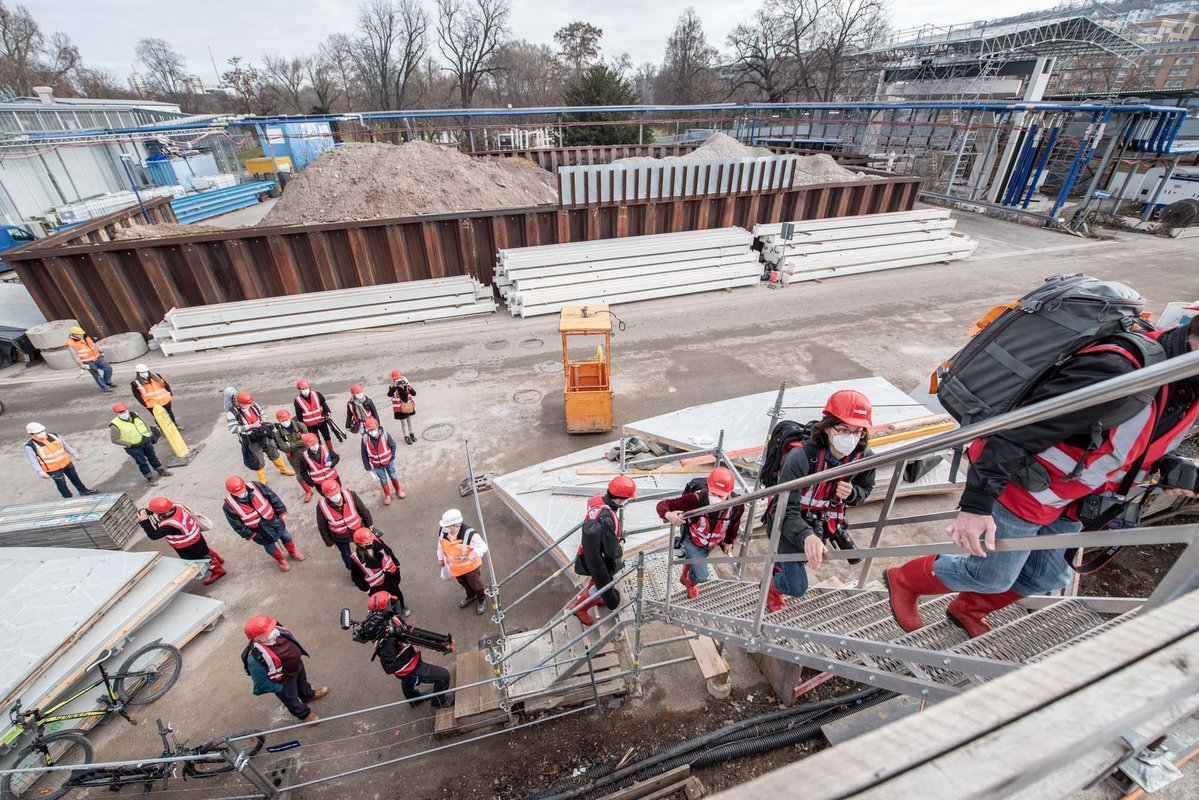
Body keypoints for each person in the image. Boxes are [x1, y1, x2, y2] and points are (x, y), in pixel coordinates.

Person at [886, 318, 1199, 637]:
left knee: (1048, 576)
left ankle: (967, 608)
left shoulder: (1186, 384)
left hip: (1071, 497)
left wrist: (1167, 465)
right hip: (1022, 488)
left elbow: (1133, 437)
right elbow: (1018, 430)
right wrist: (976, 506)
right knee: (991, 575)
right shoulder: (1119, 370)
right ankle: (904, 580)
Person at [768, 390, 876, 612]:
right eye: (844, 430)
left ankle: (780, 568)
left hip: (822, 522)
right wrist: (805, 535)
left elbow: (866, 488)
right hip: (789, 522)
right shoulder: (800, 458)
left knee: (798, 560)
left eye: (858, 431)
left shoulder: (864, 458)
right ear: (827, 427)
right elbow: (784, 508)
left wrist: (853, 493)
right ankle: (769, 587)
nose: (852, 437)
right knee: (796, 586)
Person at [656, 467, 744, 599]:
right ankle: (691, 582)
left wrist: (729, 541)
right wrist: (668, 515)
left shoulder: (737, 505)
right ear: (708, 486)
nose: (716, 498)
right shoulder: (695, 499)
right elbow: (663, 504)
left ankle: (685, 576)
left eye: (720, 496)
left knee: (695, 561)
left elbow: (734, 523)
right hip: (693, 539)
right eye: (713, 494)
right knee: (702, 576)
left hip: (712, 542)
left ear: (730, 492)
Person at [568, 475, 636, 626]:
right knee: (612, 598)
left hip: (588, 552)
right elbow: (613, 552)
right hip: (600, 560)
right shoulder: (607, 519)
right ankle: (580, 608)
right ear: (621, 498)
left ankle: (596, 596)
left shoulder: (596, 499)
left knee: (598, 581)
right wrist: (621, 543)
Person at [368, 593, 453, 709]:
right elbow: (390, 667)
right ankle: (439, 702)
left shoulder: (393, 619)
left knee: (407, 681)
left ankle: (413, 699)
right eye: (390, 604)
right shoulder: (385, 641)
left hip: (409, 664)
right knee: (443, 676)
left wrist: (438, 642)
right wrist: (412, 653)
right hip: (409, 668)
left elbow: (407, 632)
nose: (394, 605)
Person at [242, 616, 329, 722]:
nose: (273, 629)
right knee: (291, 700)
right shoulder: (254, 658)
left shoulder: (278, 632)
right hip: (283, 681)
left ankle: (308, 696)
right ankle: (303, 714)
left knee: (303, 683)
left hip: (296, 667)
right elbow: (262, 682)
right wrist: (280, 688)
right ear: (258, 637)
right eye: (269, 630)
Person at [222, 476, 305, 572]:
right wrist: (251, 535)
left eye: (241, 491)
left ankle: (293, 552)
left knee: (286, 537)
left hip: (274, 521)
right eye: (237, 493)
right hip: (258, 531)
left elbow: (272, 497)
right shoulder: (228, 506)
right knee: (270, 547)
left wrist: (281, 512)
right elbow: (237, 525)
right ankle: (281, 560)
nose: (240, 494)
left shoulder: (256, 486)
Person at [139, 496, 226, 585]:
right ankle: (219, 559)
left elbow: (153, 535)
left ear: (159, 513)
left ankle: (218, 570)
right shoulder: (178, 505)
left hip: (188, 545)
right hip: (195, 535)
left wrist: (144, 521)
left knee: (202, 558)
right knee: (204, 550)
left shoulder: (169, 525)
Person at [224, 388, 294, 484]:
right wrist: (251, 426)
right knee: (257, 460)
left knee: (273, 451)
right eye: (245, 404)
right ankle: (263, 481)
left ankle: (284, 469)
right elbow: (233, 429)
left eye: (249, 403)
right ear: (239, 403)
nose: (248, 406)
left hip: (262, 432)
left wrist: (263, 421)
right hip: (250, 438)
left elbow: (263, 414)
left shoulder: (254, 405)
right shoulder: (232, 413)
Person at [436, 509, 489, 616]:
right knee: (463, 583)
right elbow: (440, 545)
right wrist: (440, 558)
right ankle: (471, 596)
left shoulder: (469, 534)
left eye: (447, 526)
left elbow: (483, 546)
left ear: (456, 525)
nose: (445, 528)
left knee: (476, 584)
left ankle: (481, 599)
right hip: (456, 568)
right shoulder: (443, 530)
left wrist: (475, 553)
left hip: (471, 567)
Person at [24, 422, 97, 498]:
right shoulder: (31, 446)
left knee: (75, 477)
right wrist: (40, 472)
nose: (42, 433)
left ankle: (83, 491)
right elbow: (33, 461)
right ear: (32, 434)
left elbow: (65, 446)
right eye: (38, 433)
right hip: (53, 469)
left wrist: (74, 454)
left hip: (66, 463)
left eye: (42, 431)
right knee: (61, 484)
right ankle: (68, 498)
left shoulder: (54, 436)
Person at [109, 402, 173, 486]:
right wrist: (129, 445)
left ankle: (160, 470)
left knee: (152, 457)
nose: (123, 413)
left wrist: (149, 433)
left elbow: (145, 423)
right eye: (120, 412)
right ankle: (149, 477)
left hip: (145, 441)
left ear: (127, 409)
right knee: (142, 462)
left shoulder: (135, 415)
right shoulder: (115, 425)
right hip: (133, 447)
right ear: (116, 413)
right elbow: (114, 439)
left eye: (124, 411)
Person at [316, 479, 373, 571]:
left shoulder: (351, 495)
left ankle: (370, 566)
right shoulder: (321, 507)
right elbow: (322, 527)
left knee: (366, 549)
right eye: (332, 495)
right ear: (325, 495)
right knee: (346, 555)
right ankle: (354, 571)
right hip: (339, 536)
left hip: (357, 530)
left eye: (337, 492)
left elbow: (363, 510)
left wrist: (369, 524)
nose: (335, 496)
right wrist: (329, 542)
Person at [349, 528, 409, 614]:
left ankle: (401, 608)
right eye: (367, 542)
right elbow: (356, 578)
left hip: (389, 577)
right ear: (359, 544)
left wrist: (396, 564)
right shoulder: (356, 559)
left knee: (396, 594)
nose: (370, 542)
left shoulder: (377, 542)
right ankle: (389, 615)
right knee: (381, 603)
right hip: (376, 586)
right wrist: (367, 589)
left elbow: (389, 552)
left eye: (371, 539)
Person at [360, 418, 406, 505]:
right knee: (383, 480)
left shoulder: (385, 435)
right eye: (370, 430)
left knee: (393, 475)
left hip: (388, 462)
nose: (372, 431)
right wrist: (368, 468)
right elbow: (364, 454)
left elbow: (393, 445)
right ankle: (388, 495)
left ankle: (398, 490)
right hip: (377, 465)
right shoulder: (365, 439)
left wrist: (392, 456)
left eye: (373, 429)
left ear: (377, 427)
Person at [272, 409, 314, 502]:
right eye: (282, 421)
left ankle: (319, 484)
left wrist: (292, 445)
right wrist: (300, 442)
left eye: (286, 419)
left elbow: (307, 440)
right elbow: (285, 448)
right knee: (299, 476)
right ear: (279, 421)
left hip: (307, 453)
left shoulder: (300, 425)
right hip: (294, 458)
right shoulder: (278, 434)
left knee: (314, 470)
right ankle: (308, 492)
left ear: (290, 417)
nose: (285, 422)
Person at [293, 379, 339, 455]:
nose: (305, 390)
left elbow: (323, 404)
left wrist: (327, 412)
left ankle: (332, 452)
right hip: (310, 425)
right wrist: (301, 429)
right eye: (303, 389)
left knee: (327, 437)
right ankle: (322, 454)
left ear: (309, 387)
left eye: (306, 388)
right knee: (316, 440)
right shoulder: (297, 401)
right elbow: (299, 416)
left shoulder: (317, 394)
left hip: (321, 421)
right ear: (299, 389)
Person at [130, 364, 181, 429]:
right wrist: (144, 403)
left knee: (169, 413)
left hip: (164, 400)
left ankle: (174, 425)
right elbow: (137, 395)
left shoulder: (157, 376)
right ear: (138, 373)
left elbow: (166, 385)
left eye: (145, 371)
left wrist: (170, 393)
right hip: (152, 404)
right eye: (142, 372)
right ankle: (164, 429)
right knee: (158, 417)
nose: (144, 373)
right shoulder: (136, 383)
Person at [65, 325, 113, 392]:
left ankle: (107, 382)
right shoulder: (71, 343)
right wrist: (81, 364)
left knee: (108, 368)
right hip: (87, 362)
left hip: (97, 357)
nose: (81, 335)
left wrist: (100, 352)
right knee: (96, 375)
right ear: (74, 334)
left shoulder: (86, 337)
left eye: (82, 333)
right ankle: (105, 387)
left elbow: (93, 345)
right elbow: (74, 355)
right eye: (80, 334)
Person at [386, 370, 418, 445]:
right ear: (393, 379)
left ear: (402, 377)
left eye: (399, 378)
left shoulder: (406, 384)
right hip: (400, 409)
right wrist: (395, 386)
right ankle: (406, 436)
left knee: (410, 420)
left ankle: (411, 434)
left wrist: (407, 385)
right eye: (396, 379)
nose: (398, 380)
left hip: (408, 406)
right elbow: (389, 394)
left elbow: (414, 393)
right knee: (404, 423)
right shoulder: (392, 386)